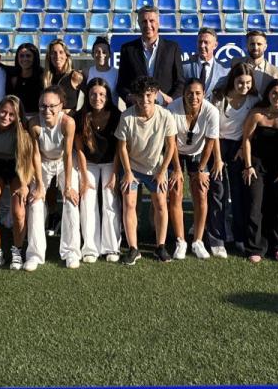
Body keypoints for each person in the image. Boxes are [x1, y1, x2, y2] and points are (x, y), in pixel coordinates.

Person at [116, 76, 180, 265]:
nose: (145, 100)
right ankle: (133, 248)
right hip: (133, 167)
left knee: (161, 203)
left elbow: (170, 147)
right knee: (129, 204)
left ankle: (160, 246)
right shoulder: (127, 116)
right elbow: (121, 147)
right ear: (135, 97)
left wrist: (162, 172)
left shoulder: (165, 115)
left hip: (156, 168)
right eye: (141, 96)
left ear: (155, 95)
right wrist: (127, 172)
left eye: (149, 95)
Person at [0, 95, 38, 271]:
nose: (6, 117)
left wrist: (25, 184)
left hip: (17, 168)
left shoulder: (23, 131)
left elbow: (27, 160)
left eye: (11, 114)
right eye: (3, 112)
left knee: (19, 212)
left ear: (17, 116)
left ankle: (17, 250)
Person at [240, 79, 278, 263]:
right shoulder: (257, 114)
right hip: (257, 167)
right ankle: (255, 247)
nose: (277, 97)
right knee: (255, 206)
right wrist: (248, 166)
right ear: (268, 94)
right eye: (274, 93)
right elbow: (246, 140)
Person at [25, 87, 82, 270]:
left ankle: (71, 252)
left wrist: (67, 186)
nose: (47, 110)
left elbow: (67, 154)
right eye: (43, 106)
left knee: (71, 201)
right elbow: (35, 154)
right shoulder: (34, 123)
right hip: (42, 162)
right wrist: (40, 185)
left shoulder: (68, 123)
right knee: (35, 202)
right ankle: (34, 254)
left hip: (63, 162)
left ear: (61, 106)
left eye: (52, 106)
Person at [208, 63, 259, 257]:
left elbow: (255, 126)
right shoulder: (219, 97)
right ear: (233, 80)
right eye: (240, 82)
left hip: (240, 147)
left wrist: (242, 147)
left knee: (239, 193)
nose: (244, 86)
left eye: (248, 82)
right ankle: (218, 238)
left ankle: (239, 237)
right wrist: (218, 158)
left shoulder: (254, 99)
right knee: (218, 191)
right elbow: (212, 130)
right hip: (218, 145)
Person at [168, 78, 220, 259]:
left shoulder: (211, 111)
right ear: (183, 94)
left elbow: (210, 143)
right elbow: (171, 142)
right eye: (190, 93)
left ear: (204, 94)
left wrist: (201, 170)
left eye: (198, 93)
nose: (194, 97)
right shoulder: (173, 109)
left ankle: (198, 241)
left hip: (199, 153)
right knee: (175, 191)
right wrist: (176, 168)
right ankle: (180, 241)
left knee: (201, 191)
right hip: (175, 152)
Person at [75, 78, 123, 263]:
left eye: (102, 94)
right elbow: (79, 148)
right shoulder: (81, 116)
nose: (97, 98)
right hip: (89, 164)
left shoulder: (116, 115)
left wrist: (114, 175)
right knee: (87, 201)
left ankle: (112, 247)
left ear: (107, 96)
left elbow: (120, 148)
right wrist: (84, 177)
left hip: (111, 163)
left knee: (110, 200)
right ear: (88, 96)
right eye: (93, 94)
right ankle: (89, 248)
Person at [115, 5, 184, 106]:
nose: (148, 25)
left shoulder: (172, 48)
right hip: (137, 109)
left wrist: (171, 99)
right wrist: (130, 96)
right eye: (144, 21)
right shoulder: (127, 49)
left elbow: (180, 82)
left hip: (165, 110)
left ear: (158, 23)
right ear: (138, 23)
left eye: (151, 21)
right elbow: (122, 85)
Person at [231, 30, 278, 95]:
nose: (255, 47)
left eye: (259, 44)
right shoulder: (235, 64)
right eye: (252, 44)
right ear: (247, 46)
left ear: (265, 47)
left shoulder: (277, 74)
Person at [182, 28, 229, 99]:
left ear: (215, 45)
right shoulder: (185, 66)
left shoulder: (225, 70)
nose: (202, 46)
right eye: (200, 42)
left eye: (206, 42)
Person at [42, 39, 84, 113]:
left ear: (66, 56)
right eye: (54, 53)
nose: (57, 56)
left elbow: (85, 103)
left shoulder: (75, 76)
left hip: (71, 121)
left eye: (61, 52)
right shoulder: (46, 78)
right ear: (49, 57)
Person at [12, 42, 44, 119]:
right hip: (19, 119)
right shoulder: (14, 78)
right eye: (21, 56)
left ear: (34, 58)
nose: (25, 59)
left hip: (37, 120)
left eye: (28, 56)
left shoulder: (43, 77)